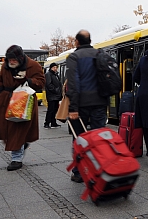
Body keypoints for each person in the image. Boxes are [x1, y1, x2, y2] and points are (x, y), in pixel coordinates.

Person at [0, 45, 45, 171]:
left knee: (17, 129)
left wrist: (28, 80)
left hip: (23, 102)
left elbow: (41, 82)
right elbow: (1, 80)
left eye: (14, 59)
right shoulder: (6, 66)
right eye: (9, 59)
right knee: (4, 128)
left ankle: (16, 158)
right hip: (6, 100)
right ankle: (21, 144)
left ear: (20, 58)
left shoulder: (33, 65)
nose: (12, 62)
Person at [66, 29, 109, 182]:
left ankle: (79, 172)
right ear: (90, 40)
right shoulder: (99, 54)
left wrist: (73, 108)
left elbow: (73, 84)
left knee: (79, 138)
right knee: (99, 137)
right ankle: (101, 168)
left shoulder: (74, 57)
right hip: (100, 102)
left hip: (82, 104)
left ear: (76, 41)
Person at [44, 62, 62, 129]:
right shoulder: (48, 74)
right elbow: (49, 84)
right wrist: (56, 90)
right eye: (54, 67)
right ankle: (47, 123)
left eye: (56, 67)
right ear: (51, 68)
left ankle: (53, 123)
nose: (55, 68)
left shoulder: (56, 75)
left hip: (56, 95)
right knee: (50, 110)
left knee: (55, 109)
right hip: (52, 95)